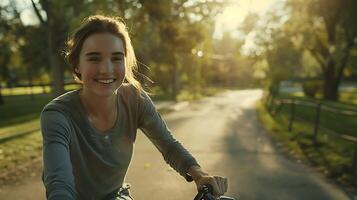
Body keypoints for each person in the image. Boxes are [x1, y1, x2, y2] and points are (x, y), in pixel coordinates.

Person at [41, 14, 228, 200]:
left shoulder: (134, 99)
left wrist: (200, 175)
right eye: (94, 58)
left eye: (116, 58)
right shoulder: (57, 115)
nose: (106, 68)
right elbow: (59, 182)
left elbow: (169, 146)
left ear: (126, 62)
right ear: (77, 65)